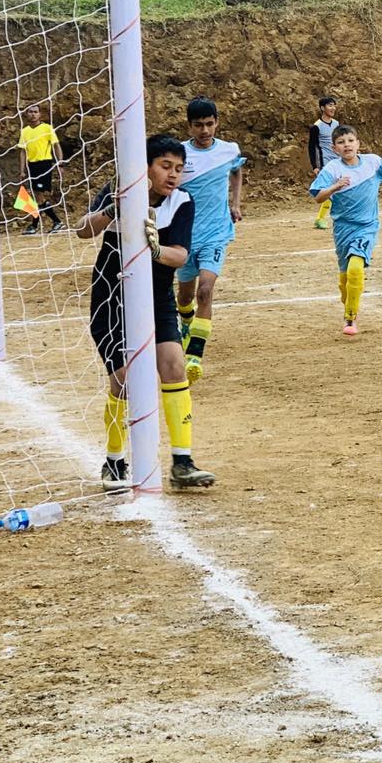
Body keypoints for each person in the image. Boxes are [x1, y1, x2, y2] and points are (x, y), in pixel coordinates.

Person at [79, 133, 215, 493]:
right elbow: (82, 230)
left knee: (173, 364)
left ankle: (182, 461)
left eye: (179, 169)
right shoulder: (119, 189)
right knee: (122, 380)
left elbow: (181, 256)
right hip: (111, 296)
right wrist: (112, 210)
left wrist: (155, 249)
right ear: (147, 168)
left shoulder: (182, 202)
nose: (173, 175)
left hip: (156, 295)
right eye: (165, 167)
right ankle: (113, 461)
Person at [308, 124, 382, 336]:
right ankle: (348, 302)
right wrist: (335, 187)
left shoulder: (373, 162)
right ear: (335, 149)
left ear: (358, 144)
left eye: (350, 141)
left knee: (356, 268)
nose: (347, 145)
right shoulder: (332, 170)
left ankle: (350, 319)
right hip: (342, 229)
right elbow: (318, 196)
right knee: (346, 278)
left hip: (367, 226)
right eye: (341, 142)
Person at [170, 96, 246, 384]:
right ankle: (186, 320)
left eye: (210, 124)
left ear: (217, 123)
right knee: (185, 296)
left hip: (216, 232)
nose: (204, 130)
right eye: (198, 125)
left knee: (205, 291)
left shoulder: (229, 150)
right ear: (189, 126)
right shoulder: (178, 154)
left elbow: (237, 171)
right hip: (184, 235)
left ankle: (194, 356)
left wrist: (235, 203)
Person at [16, 103, 65, 234]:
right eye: (30, 112)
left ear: (40, 114)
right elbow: (23, 151)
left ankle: (52, 222)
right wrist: (22, 170)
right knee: (37, 196)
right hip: (32, 166)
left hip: (44, 164)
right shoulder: (25, 131)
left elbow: (56, 145)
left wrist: (59, 163)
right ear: (26, 114)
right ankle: (42, 224)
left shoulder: (47, 128)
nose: (33, 114)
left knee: (39, 196)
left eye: (35, 112)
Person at [309, 95, 342, 227]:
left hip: (338, 161)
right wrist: (315, 165)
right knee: (330, 190)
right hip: (325, 163)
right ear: (322, 108)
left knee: (337, 189)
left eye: (334, 105)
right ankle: (320, 218)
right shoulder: (316, 127)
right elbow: (312, 147)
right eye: (330, 105)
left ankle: (324, 218)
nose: (333, 108)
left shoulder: (336, 124)